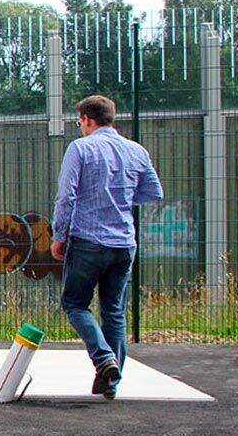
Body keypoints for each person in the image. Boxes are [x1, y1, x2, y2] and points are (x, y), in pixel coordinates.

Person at [52, 94, 163, 400]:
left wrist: (59, 234)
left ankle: (103, 359)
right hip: (124, 242)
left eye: (79, 122)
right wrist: (121, 199)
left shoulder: (80, 148)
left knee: (74, 304)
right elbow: (153, 192)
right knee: (114, 310)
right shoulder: (137, 151)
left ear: (87, 119)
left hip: (89, 239)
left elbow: (66, 196)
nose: (79, 127)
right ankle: (111, 383)